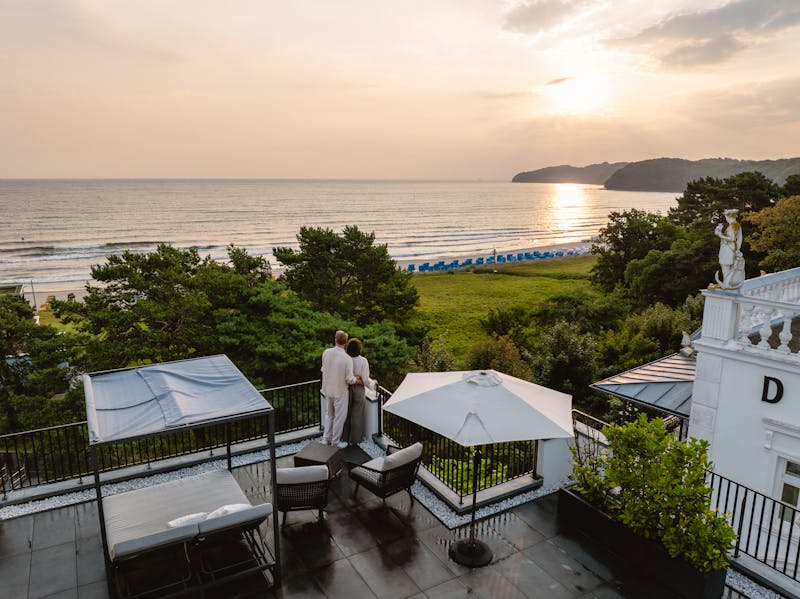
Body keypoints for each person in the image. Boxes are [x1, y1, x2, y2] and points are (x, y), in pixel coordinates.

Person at [321, 330, 359, 446]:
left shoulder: (326, 352)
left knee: (329, 415)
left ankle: (325, 439)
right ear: (346, 342)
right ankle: (335, 442)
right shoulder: (347, 358)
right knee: (339, 418)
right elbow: (349, 379)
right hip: (340, 391)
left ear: (335, 339)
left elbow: (324, 369)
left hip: (328, 389)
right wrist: (357, 380)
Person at [343, 338, 376, 446]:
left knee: (345, 413)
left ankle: (345, 437)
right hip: (358, 388)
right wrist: (372, 385)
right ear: (359, 348)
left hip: (346, 387)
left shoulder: (345, 358)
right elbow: (365, 379)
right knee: (357, 415)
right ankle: (355, 440)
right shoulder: (363, 361)